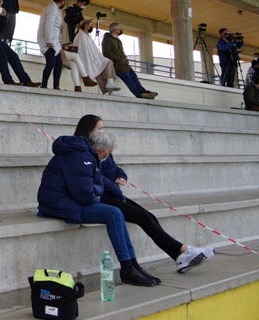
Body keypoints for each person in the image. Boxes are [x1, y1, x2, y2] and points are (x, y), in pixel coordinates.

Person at [78, 115, 214, 277]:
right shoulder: (86, 150)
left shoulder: (102, 144)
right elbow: (97, 177)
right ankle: (185, 250)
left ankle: (179, 257)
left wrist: (122, 175)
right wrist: (113, 185)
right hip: (104, 197)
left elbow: (113, 167)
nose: (103, 131)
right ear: (88, 130)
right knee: (143, 217)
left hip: (113, 193)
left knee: (149, 216)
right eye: (99, 128)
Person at [37, 115, 157, 287]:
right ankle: (127, 268)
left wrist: (96, 192)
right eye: (107, 153)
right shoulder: (81, 157)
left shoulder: (87, 154)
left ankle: (132, 264)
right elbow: (85, 194)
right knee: (114, 212)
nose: (107, 156)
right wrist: (96, 193)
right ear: (101, 151)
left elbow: (97, 185)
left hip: (70, 200)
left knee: (116, 211)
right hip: (56, 204)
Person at [102, 23, 158, 99]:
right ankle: (139, 95)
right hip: (117, 65)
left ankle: (143, 92)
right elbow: (107, 53)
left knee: (133, 76)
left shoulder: (118, 40)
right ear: (114, 29)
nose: (121, 30)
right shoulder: (107, 40)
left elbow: (122, 53)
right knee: (128, 79)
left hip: (125, 64)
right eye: (119, 28)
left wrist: (124, 61)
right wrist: (119, 60)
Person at [72, 19, 120, 94]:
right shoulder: (81, 36)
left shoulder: (86, 35)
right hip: (88, 60)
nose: (92, 27)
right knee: (107, 62)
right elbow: (84, 51)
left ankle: (110, 90)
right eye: (90, 25)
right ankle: (110, 85)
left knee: (103, 67)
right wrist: (94, 59)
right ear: (86, 26)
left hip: (93, 58)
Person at [37, 0, 69, 89]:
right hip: (48, 42)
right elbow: (49, 25)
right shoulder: (52, 9)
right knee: (51, 63)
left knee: (58, 63)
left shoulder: (56, 9)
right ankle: (44, 85)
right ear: (62, 1)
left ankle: (56, 86)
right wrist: (49, 41)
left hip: (55, 42)